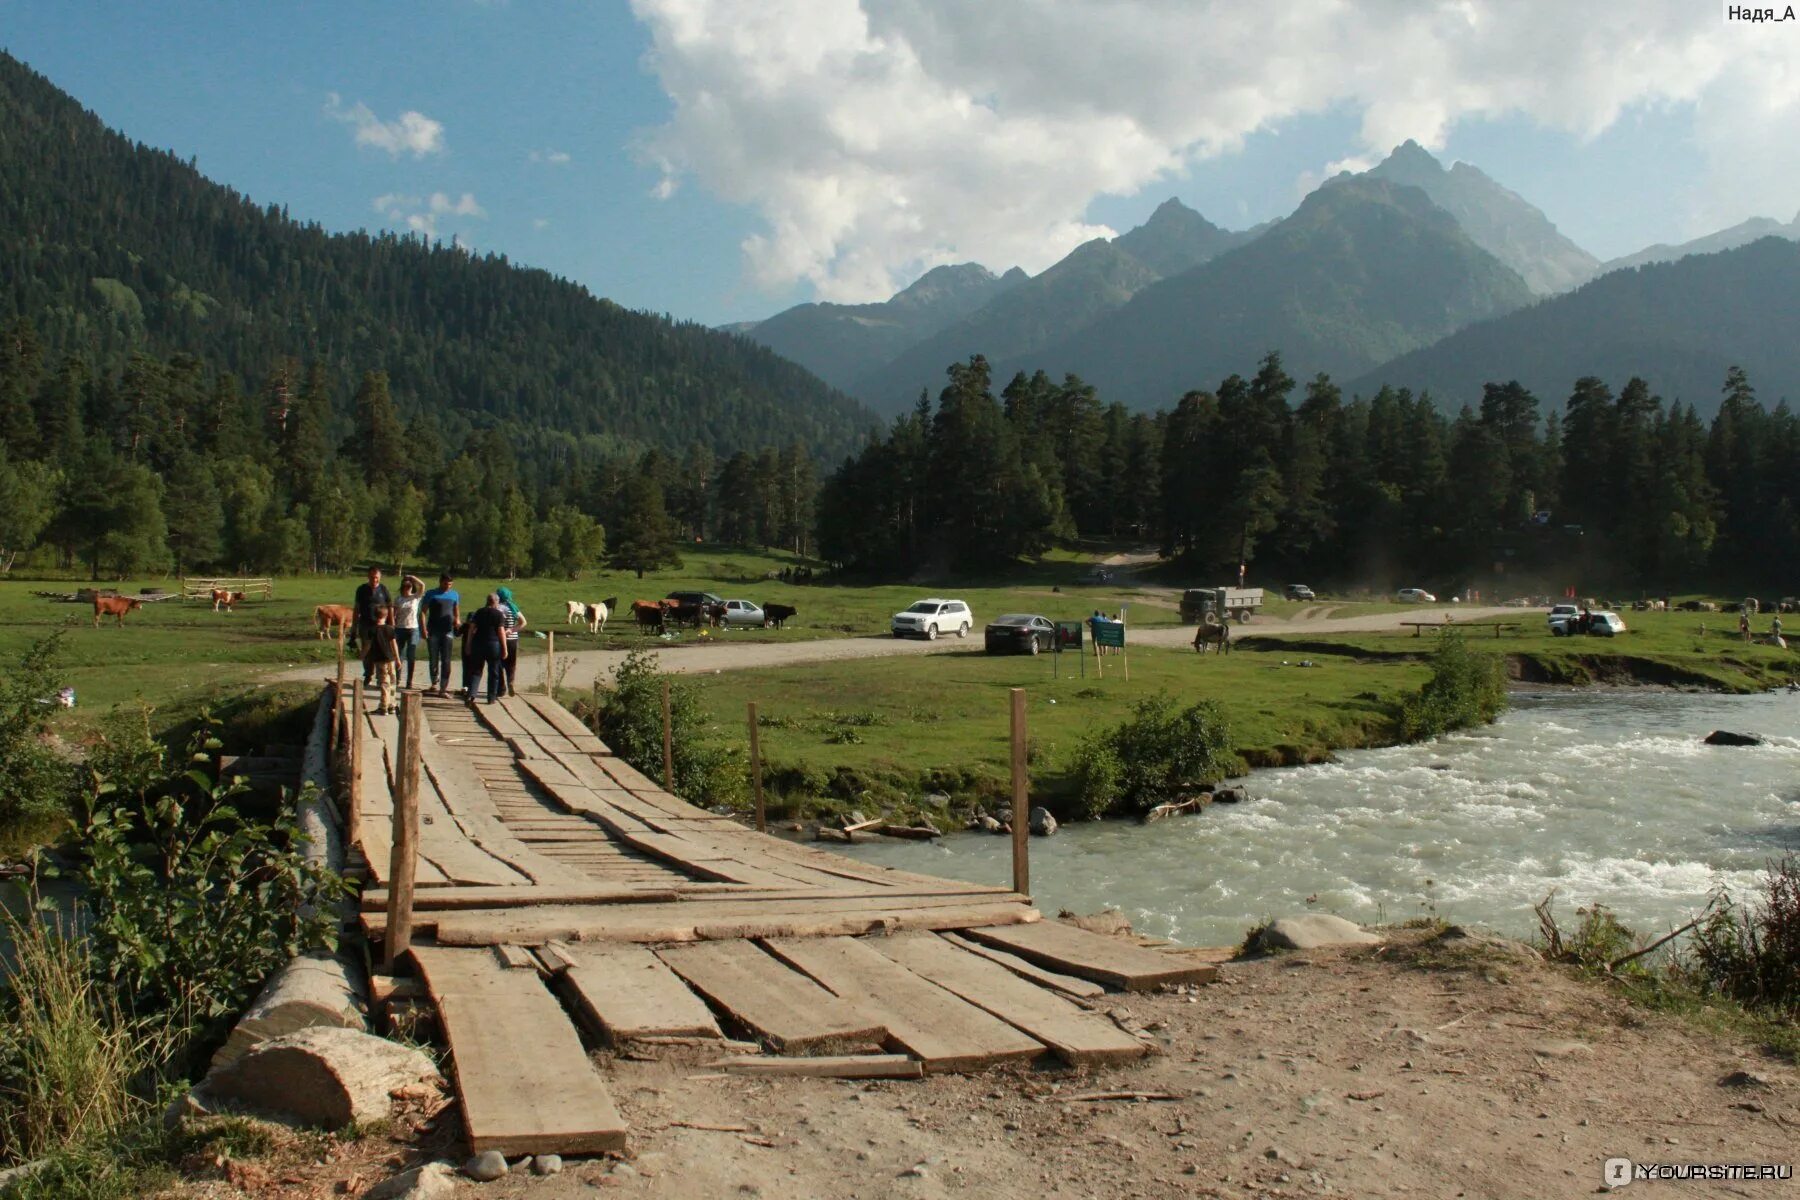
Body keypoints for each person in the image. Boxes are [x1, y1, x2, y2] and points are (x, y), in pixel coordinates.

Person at [420, 573, 462, 695]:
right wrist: (423, 628)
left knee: (446, 659)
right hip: (433, 630)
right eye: (445, 584)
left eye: (450, 584)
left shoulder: (454, 595)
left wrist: (457, 621)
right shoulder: (431, 594)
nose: (447, 586)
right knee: (433, 658)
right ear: (440, 582)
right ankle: (434, 683)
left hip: (447, 631)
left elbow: (456, 610)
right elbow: (423, 612)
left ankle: (443, 687)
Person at [463, 593, 509, 704]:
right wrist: (504, 648)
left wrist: (468, 644)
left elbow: (471, 629)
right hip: (493, 645)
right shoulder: (498, 614)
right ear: (496, 602)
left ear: (487, 601)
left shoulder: (479, 612)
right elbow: (501, 632)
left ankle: (472, 694)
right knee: (493, 672)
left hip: (478, 644)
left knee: (476, 670)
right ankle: (491, 697)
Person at [352, 566, 392, 685]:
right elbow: (357, 608)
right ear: (368, 577)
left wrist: (391, 623)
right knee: (367, 649)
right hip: (366, 624)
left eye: (377, 578)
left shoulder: (383, 589)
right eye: (372, 577)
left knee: (381, 649)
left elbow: (390, 606)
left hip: (381, 624)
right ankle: (368, 674)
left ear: (380, 577)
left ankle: (381, 677)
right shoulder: (361, 589)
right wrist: (354, 625)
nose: (374, 580)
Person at [362, 604, 400, 715]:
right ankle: (392, 704)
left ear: (374, 616)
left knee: (384, 683)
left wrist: (363, 655)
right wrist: (397, 658)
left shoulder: (372, 630)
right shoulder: (390, 629)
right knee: (392, 682)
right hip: (391, 659)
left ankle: (383, 706)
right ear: (387, 615)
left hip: (380, 660)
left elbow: (368, 645)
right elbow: (394, 645)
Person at [496, 586, 528, 696]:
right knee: (511, 663)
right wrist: (512, 630)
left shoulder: (497, 608)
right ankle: (511, 681)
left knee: (498, 663)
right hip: (513, 639)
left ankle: (501, 688)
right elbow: (523, 622)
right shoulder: (513, 607)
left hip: (499, 639)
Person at [393, 576, 424, 690]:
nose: (407, 588)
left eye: (409, 586)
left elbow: (422, 585)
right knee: (399, 655)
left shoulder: (415, 597)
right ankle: (397, 678)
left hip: (413, 629)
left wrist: (412, 578)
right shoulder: (398, 599)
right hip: (400, 628)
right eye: (405, 586)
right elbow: (394, 614)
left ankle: (409, 681)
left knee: (411, 655)